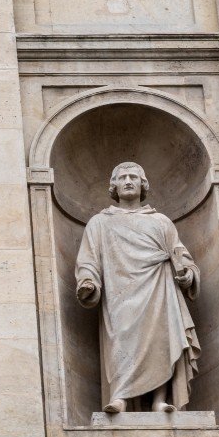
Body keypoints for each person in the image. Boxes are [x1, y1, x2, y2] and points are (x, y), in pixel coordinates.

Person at [76, 162, 200, 413]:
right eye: (122, 177)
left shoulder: (161, 222)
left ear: (143, 184)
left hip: (158, 289)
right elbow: (88, 259)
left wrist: (188, 275)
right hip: (119, 294)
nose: (128, 181)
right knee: (122, 338)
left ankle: (159, 401)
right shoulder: (100, 223)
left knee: (160, 340)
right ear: (114, 186)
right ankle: (120, 396)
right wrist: (87, 280)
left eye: (134, 177)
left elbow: (181, 256)